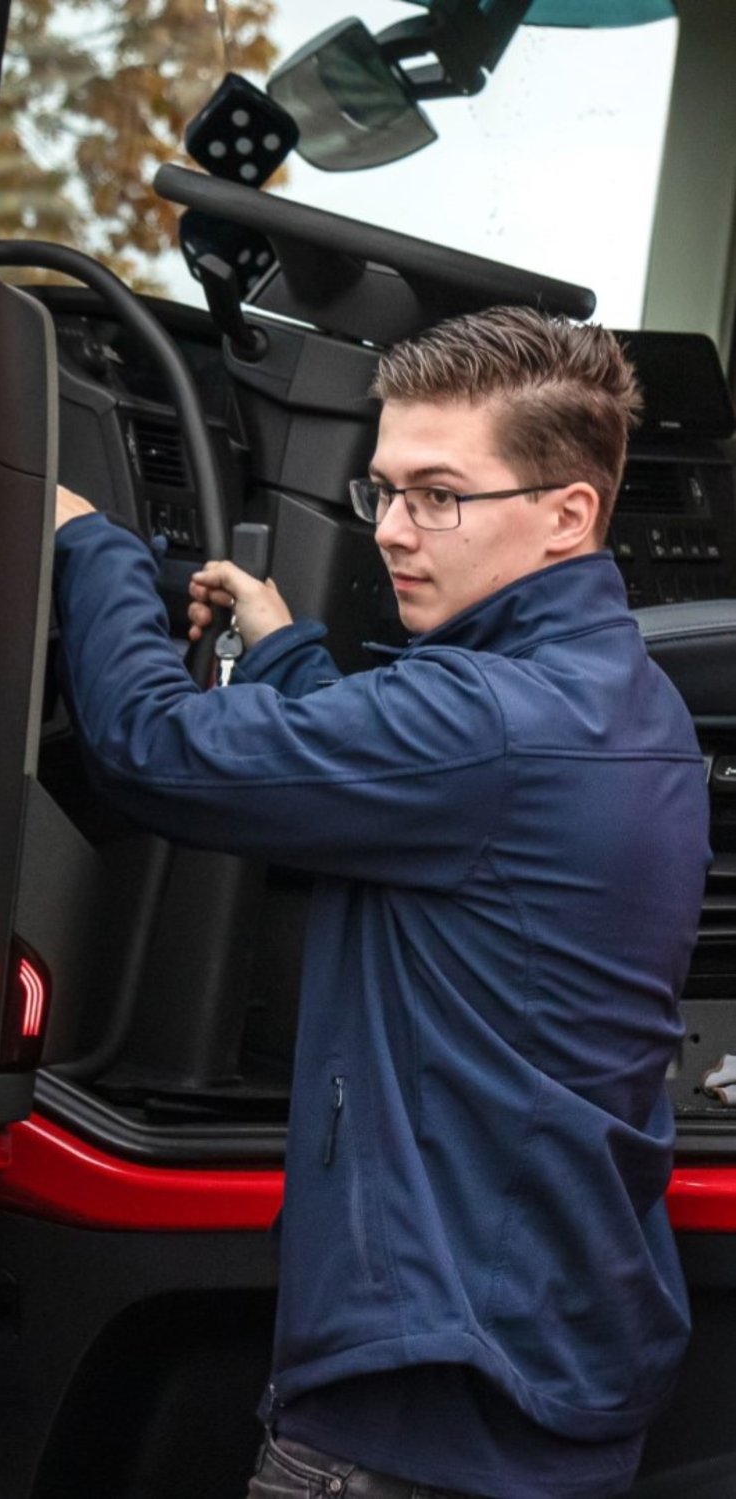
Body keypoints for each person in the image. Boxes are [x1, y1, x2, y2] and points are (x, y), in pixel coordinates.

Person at [50, 305, 711, 1499]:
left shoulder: (485, 725)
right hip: (543, 1357)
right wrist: (284, 649)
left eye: (439, 496)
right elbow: (408, 774)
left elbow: (153, 749)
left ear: (569, 513)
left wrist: (87, 546)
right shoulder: (618, 699)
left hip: (415, 1418)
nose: (395, 530)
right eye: (386, 491)